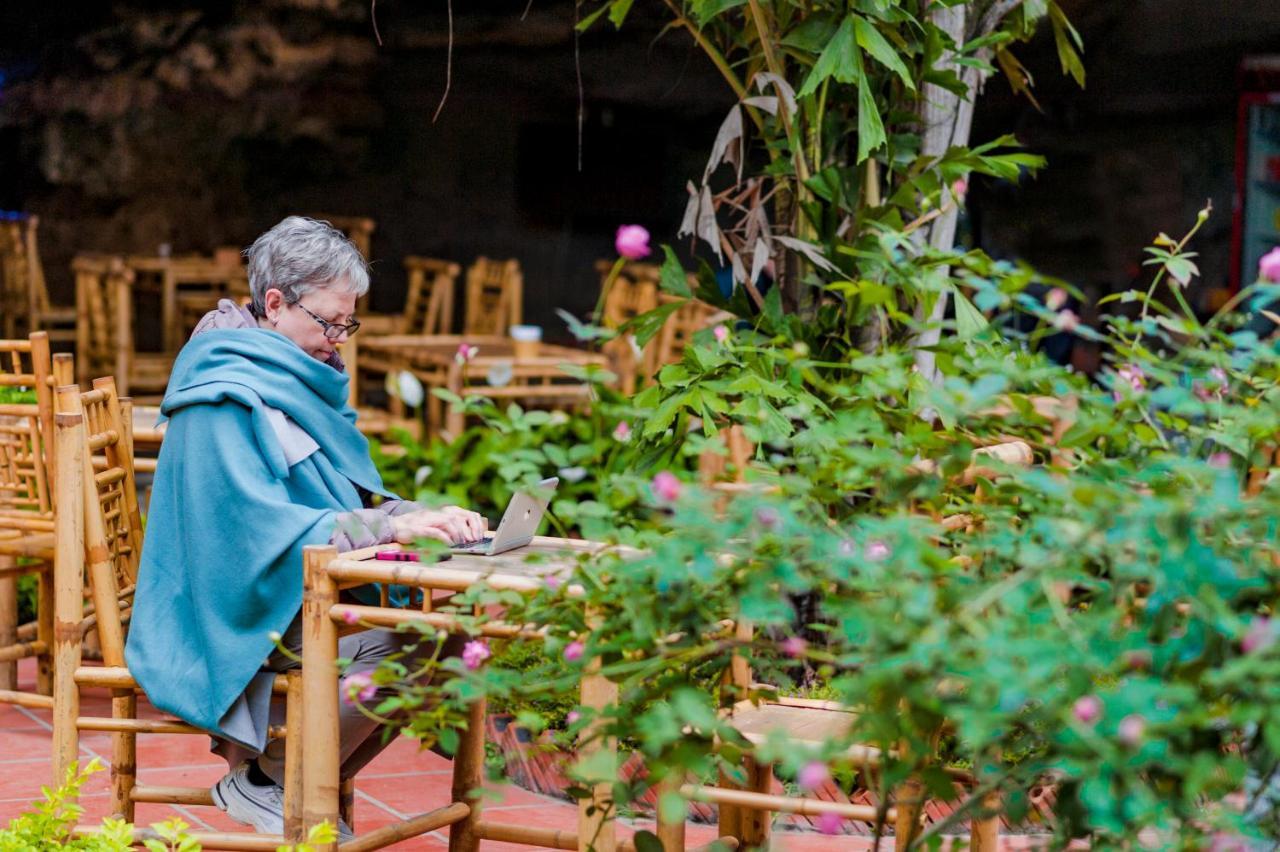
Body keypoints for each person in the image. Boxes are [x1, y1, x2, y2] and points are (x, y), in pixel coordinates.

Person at [124, 217, 486, 838]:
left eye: (349, 323)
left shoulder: (281, 378)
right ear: (274, 304)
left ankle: (294, 782)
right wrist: (387, 529)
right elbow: (251, 531)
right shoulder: (224, 393)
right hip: (230, 609)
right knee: (407, 642)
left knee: (453, 637)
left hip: (289, 592)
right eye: (330, 322)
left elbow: (336, 494)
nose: (339, 340)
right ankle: (272, 782)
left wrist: (413, 517)